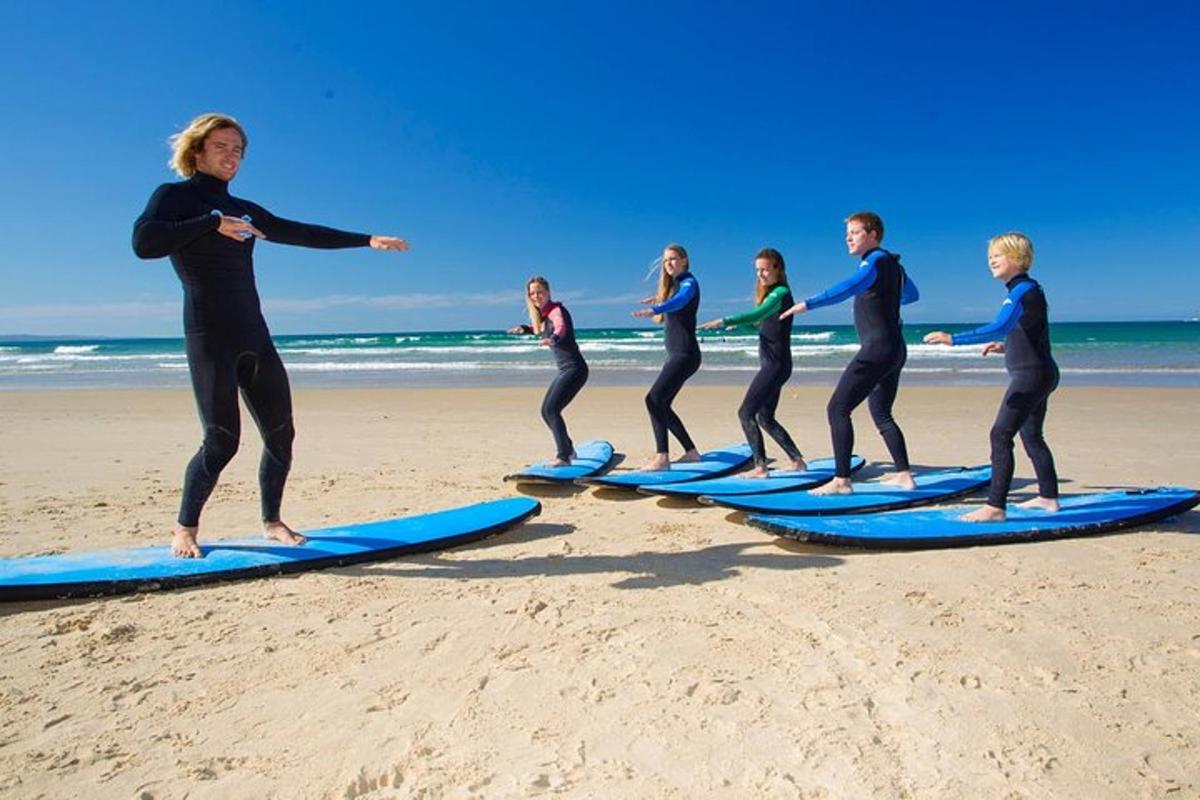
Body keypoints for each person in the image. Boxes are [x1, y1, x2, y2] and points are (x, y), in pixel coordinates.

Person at [132, 113, 409, 558]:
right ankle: (185, 528)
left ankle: (272, 521)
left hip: (254, 334)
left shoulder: (245, 209)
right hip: (209, 334)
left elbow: (300, 232)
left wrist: (368, 239)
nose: (231, 156)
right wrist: (210, 222)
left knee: (281, 434)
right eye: (222, 146)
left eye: (238, 150)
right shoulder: (174, 198)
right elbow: (144, 243)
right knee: (221, 441)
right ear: (198, 151)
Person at [924, 232, 1059, 521]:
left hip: (1030, 377)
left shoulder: (1021, 291)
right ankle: (1048, 498)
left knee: (1000, 435)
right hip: (1040, 372)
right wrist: (1007, 348)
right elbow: (1031, 334)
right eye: (990, 257)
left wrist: (953, 339)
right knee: (1032, 436)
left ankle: (995, 506)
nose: (991, 261)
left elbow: (1000, 325)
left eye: (997, 256)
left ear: (1016, 258)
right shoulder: (1029, 290)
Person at [780, 212, 918, 494]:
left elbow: (846, 288)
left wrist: (807, 304)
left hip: (877, 349)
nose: (848, 238)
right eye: (848, 234)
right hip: (895, 348)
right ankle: (905, 474)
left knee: (837, 408)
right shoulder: (894, 264)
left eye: (854, 232)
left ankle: (842, 480)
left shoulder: (874, 262)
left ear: (873, 235)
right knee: (881, 412)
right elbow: (912, 295)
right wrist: (887, 297)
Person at [700, 248, 806, 477]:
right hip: (776, 365)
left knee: (745, 413)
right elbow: (762, 323)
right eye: (758, 270)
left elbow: (758, 313)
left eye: (765, 269)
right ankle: (797, 461)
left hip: (775, 366)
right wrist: (738, 326)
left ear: (778, 268)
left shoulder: (780, 293)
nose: (761, 274)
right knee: (765, 418)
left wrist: (725, 320)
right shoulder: (772, 295)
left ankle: (760, 466)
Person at [632, 244, 702, 470]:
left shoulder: (689, 283)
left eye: (673, 259)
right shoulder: (675, 286)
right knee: (662, 404)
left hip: (685, 354)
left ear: (684, 260)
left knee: (652, 400)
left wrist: (657, 309)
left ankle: (662, 457)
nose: (669, 263)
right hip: (679, 354)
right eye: (665, 260)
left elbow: (681, 299)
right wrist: (658, 299)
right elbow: (675, 297)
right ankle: (691, 452)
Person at [507, 276, 589, 466]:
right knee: (547, 410)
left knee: (551, 409)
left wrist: (553, 339)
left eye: (540, 292)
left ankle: (563, 456)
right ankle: (569, 450)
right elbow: (540, 328)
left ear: (548, 292)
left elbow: (560, 326)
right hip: (566, 370)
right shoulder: (543, 316)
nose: (536, 296)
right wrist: (524, 329)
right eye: (532, 293)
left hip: (574, 369)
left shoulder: (555, 310)